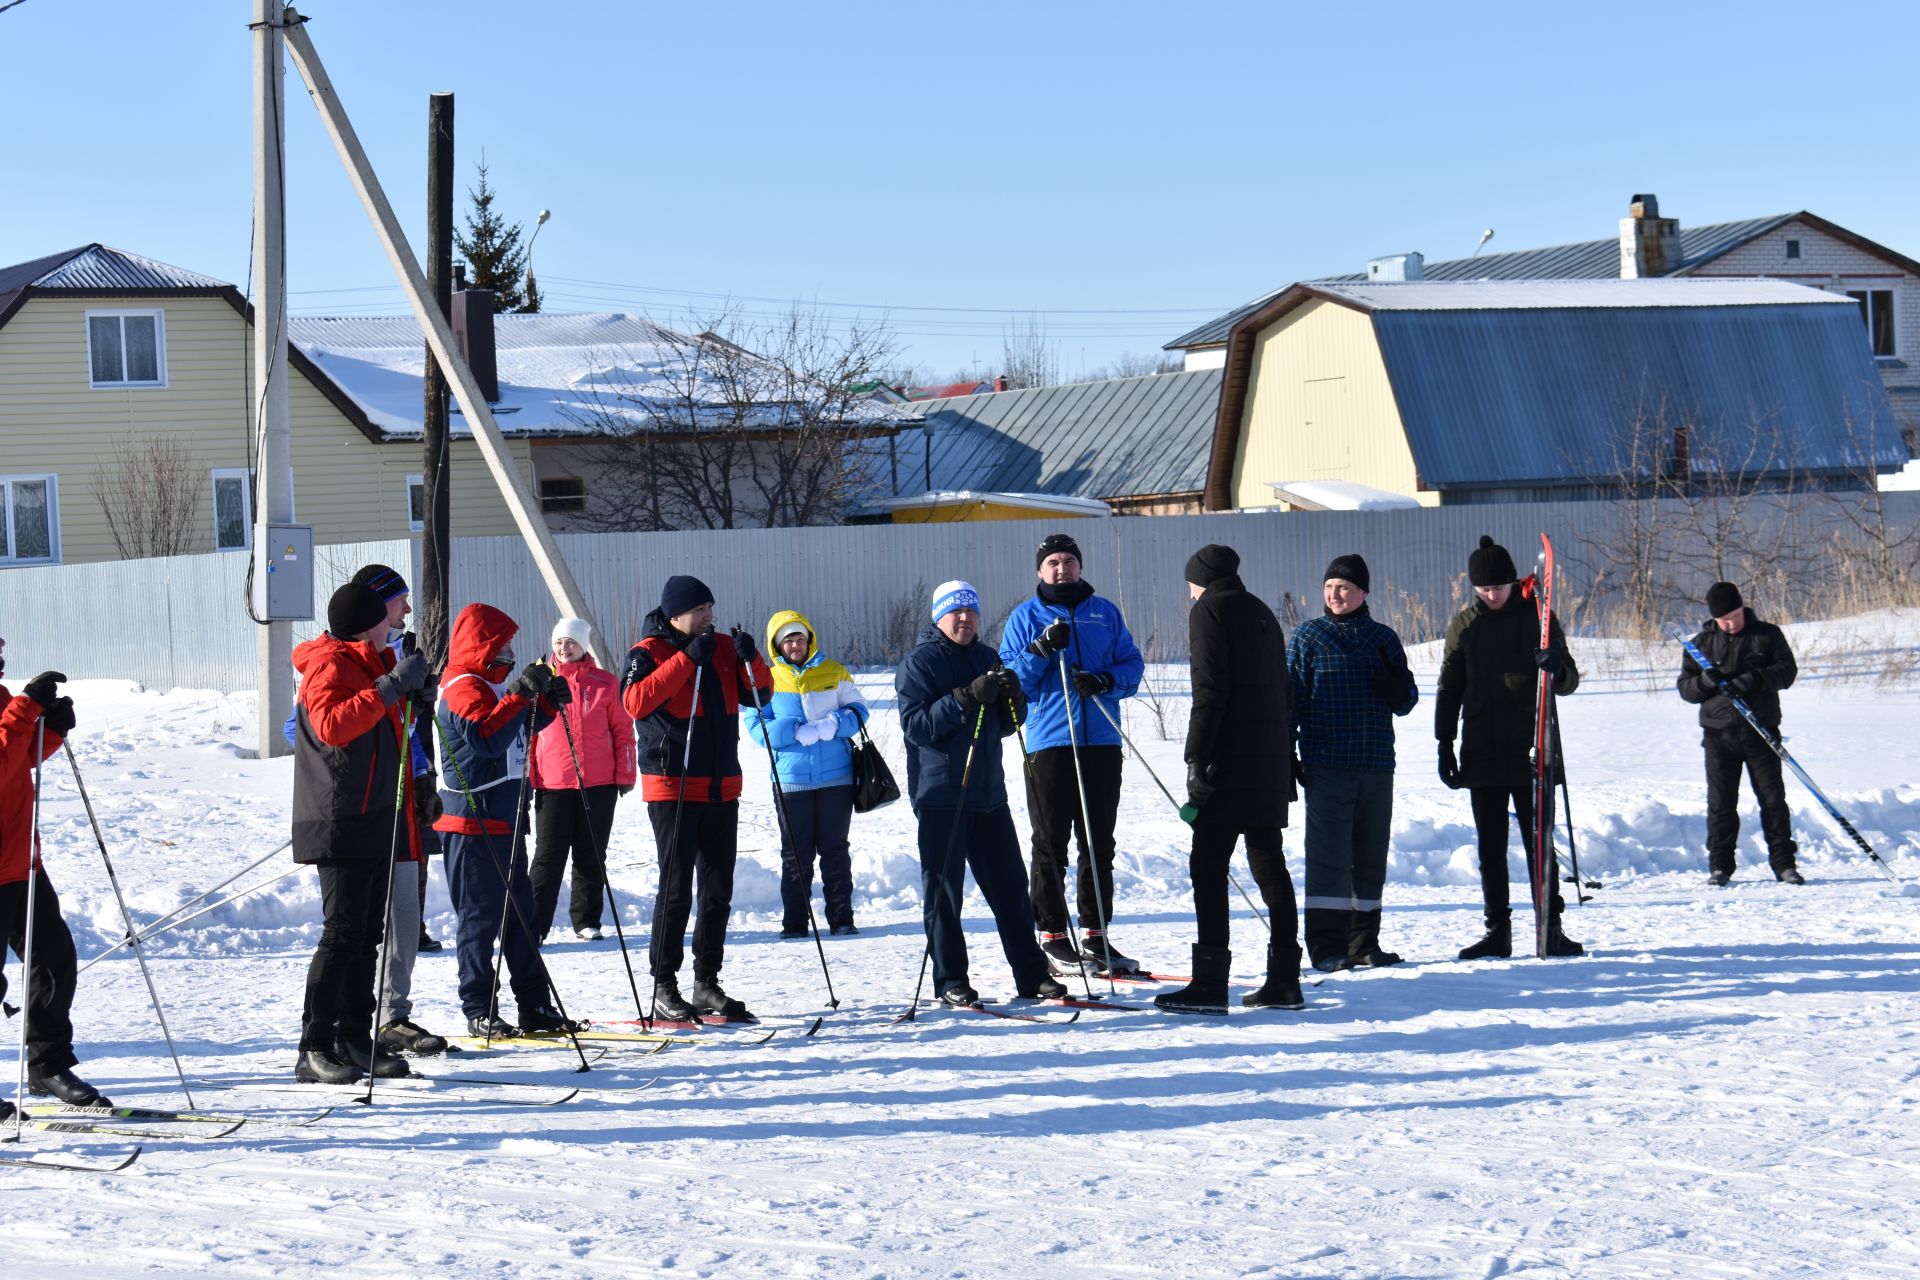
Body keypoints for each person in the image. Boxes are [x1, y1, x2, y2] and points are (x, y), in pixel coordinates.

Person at [897, 582, 1067, 1007]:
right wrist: (964, 697)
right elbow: (916, 727)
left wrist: (1015, 700)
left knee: (1011, 890)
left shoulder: (987, 656)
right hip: (941, 796)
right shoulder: (920, 662)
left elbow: (1005, 726)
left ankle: (1032, 975)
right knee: (945, 894)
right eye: (956, 613)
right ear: (939, 617)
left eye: (971, 613)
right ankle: (951, 979)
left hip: (989, 795)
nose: (965, 620)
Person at [290, 582, 434, 1082]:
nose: (395, 620)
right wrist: (390, 687)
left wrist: (414, 696)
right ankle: (315, 1044)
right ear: (366, 621)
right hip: (340, 815)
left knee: (366, 935)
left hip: (374, 812)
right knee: (343, 934)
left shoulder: (367, 661)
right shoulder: (331, 662)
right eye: (384, 616)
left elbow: (388, 728)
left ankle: (354, 1035)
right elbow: (331, 725)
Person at [1157, 545, 1304, 1014]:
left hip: (1229, 763)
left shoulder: (1209, 611)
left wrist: (1196, 757)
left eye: (1190, 585)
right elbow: (1285, 691)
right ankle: (1285, 980)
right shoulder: (1261, 610)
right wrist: (1287, 755)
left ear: (1200, 580)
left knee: (1208, 867)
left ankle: (1209, 983)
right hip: (1269, 762)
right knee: (1269, 866)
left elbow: (1210, 691)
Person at [620, 575, 771, 1021]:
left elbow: (761, 694)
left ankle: (707, 982)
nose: (709, 617)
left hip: (722, 784)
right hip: (673, 785)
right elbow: (634, 702)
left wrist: (753, 658)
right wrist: (685, 660)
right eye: (699, 610)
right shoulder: (647, 652)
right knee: (676, 888)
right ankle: (664, 984)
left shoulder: (723, 646)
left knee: (718, 890)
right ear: (675, 615)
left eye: (711, 608)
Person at [999, 532, 1146, 975]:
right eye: (1053, 563)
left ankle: (1096, 934)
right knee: (1049, 842)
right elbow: (1011, 678)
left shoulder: (1105, 613)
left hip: (1100, 739)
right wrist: (1041, 649)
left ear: (1080, 566)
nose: (1061, 569)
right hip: (1050, 741)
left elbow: (1132, 665)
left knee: (1099, 841)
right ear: (1040, 571)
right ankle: (1052, 933)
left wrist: (1103, 681)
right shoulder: (1025, 617)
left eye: (1068, 561)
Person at [1434, 536, 1583, 960]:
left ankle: (1550, 926)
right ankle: (1497, 930)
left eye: (1497, 588)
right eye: (1483, 590)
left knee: (1540, 841)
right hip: (1481, 747)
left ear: (1511, 582)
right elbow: (1449, 687)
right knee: (1490, 846)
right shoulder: (1465, 624)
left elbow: (1569, 680)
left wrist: (1556, 669)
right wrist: (1444, 742)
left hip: (1533, 747)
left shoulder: (1538, 615)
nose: (1492, 595)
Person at [432, 602, 576, 1037]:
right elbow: (487, 740)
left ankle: (534, 1005)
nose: (509, 653)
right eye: (501, 645)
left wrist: (545, 706)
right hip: (472, 824)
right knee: (480, 921)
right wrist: (519, 694)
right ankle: (479, 1007)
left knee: (521, 919)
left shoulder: (486, 686)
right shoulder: (462, 687)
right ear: (481, 647)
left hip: (505, 821)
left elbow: (512, 727)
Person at [1288, 554, 1418, 971]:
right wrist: (1285, 752)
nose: (1334, 595)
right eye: (1329, 587)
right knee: (1328, 856)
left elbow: (1408, 702)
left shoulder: (1383, 638)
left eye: (1343, 587)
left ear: (1364, 592)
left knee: (1370, 854)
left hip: (1377, 763)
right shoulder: (1308, 636)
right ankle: (1327, 947)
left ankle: (1364, 943)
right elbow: (1289, 698)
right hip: (1327, 763)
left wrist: (1397, 688)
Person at [0, 645, 109, 1106]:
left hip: (20, 862)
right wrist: (26, 709)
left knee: (54, 959)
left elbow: (17, 758)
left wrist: (51, 731)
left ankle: (48, 1065)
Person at [746, 609, 870, 938]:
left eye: (800, 637)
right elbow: (756, 727)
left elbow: (860, 710)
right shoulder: (765, 679)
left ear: (809, 639)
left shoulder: (834, 671)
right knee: (795, 854)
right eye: (788, 639)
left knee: (835, 850)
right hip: (791, 780)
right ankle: (796, 922)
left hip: (837, 777)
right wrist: (792, 730)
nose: (795, 644)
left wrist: (834, 725)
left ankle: (842, 918)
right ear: (777, 645)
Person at [1677, 581, 1803, 887]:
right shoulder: (1700, 644)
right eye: (1723, 619)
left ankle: (1784, 865)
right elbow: (1686, 689)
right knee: (1721, 803)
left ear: (1742, 608)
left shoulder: (1767, 634)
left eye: (1734, 615)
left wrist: (1753, 680)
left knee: (1773, 799)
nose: (1730, 623)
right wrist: (1706, 683)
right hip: (1719, 736)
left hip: (1761, 730)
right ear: (1714, 619)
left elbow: (1787, 672)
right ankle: (1720, 867)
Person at [530, 617, 635, 941]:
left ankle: (587, 919)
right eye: (560, 642)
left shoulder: (604, 683)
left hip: (598, 783)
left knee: (591, 854)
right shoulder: (540, 681)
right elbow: (529, 734)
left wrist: (625, 773)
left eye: (572, 642)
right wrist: (530, 778)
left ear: (583, 645)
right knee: (548, 857)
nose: (565, 648)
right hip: (554, 783)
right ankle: (535, 925)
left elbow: (622, 731)